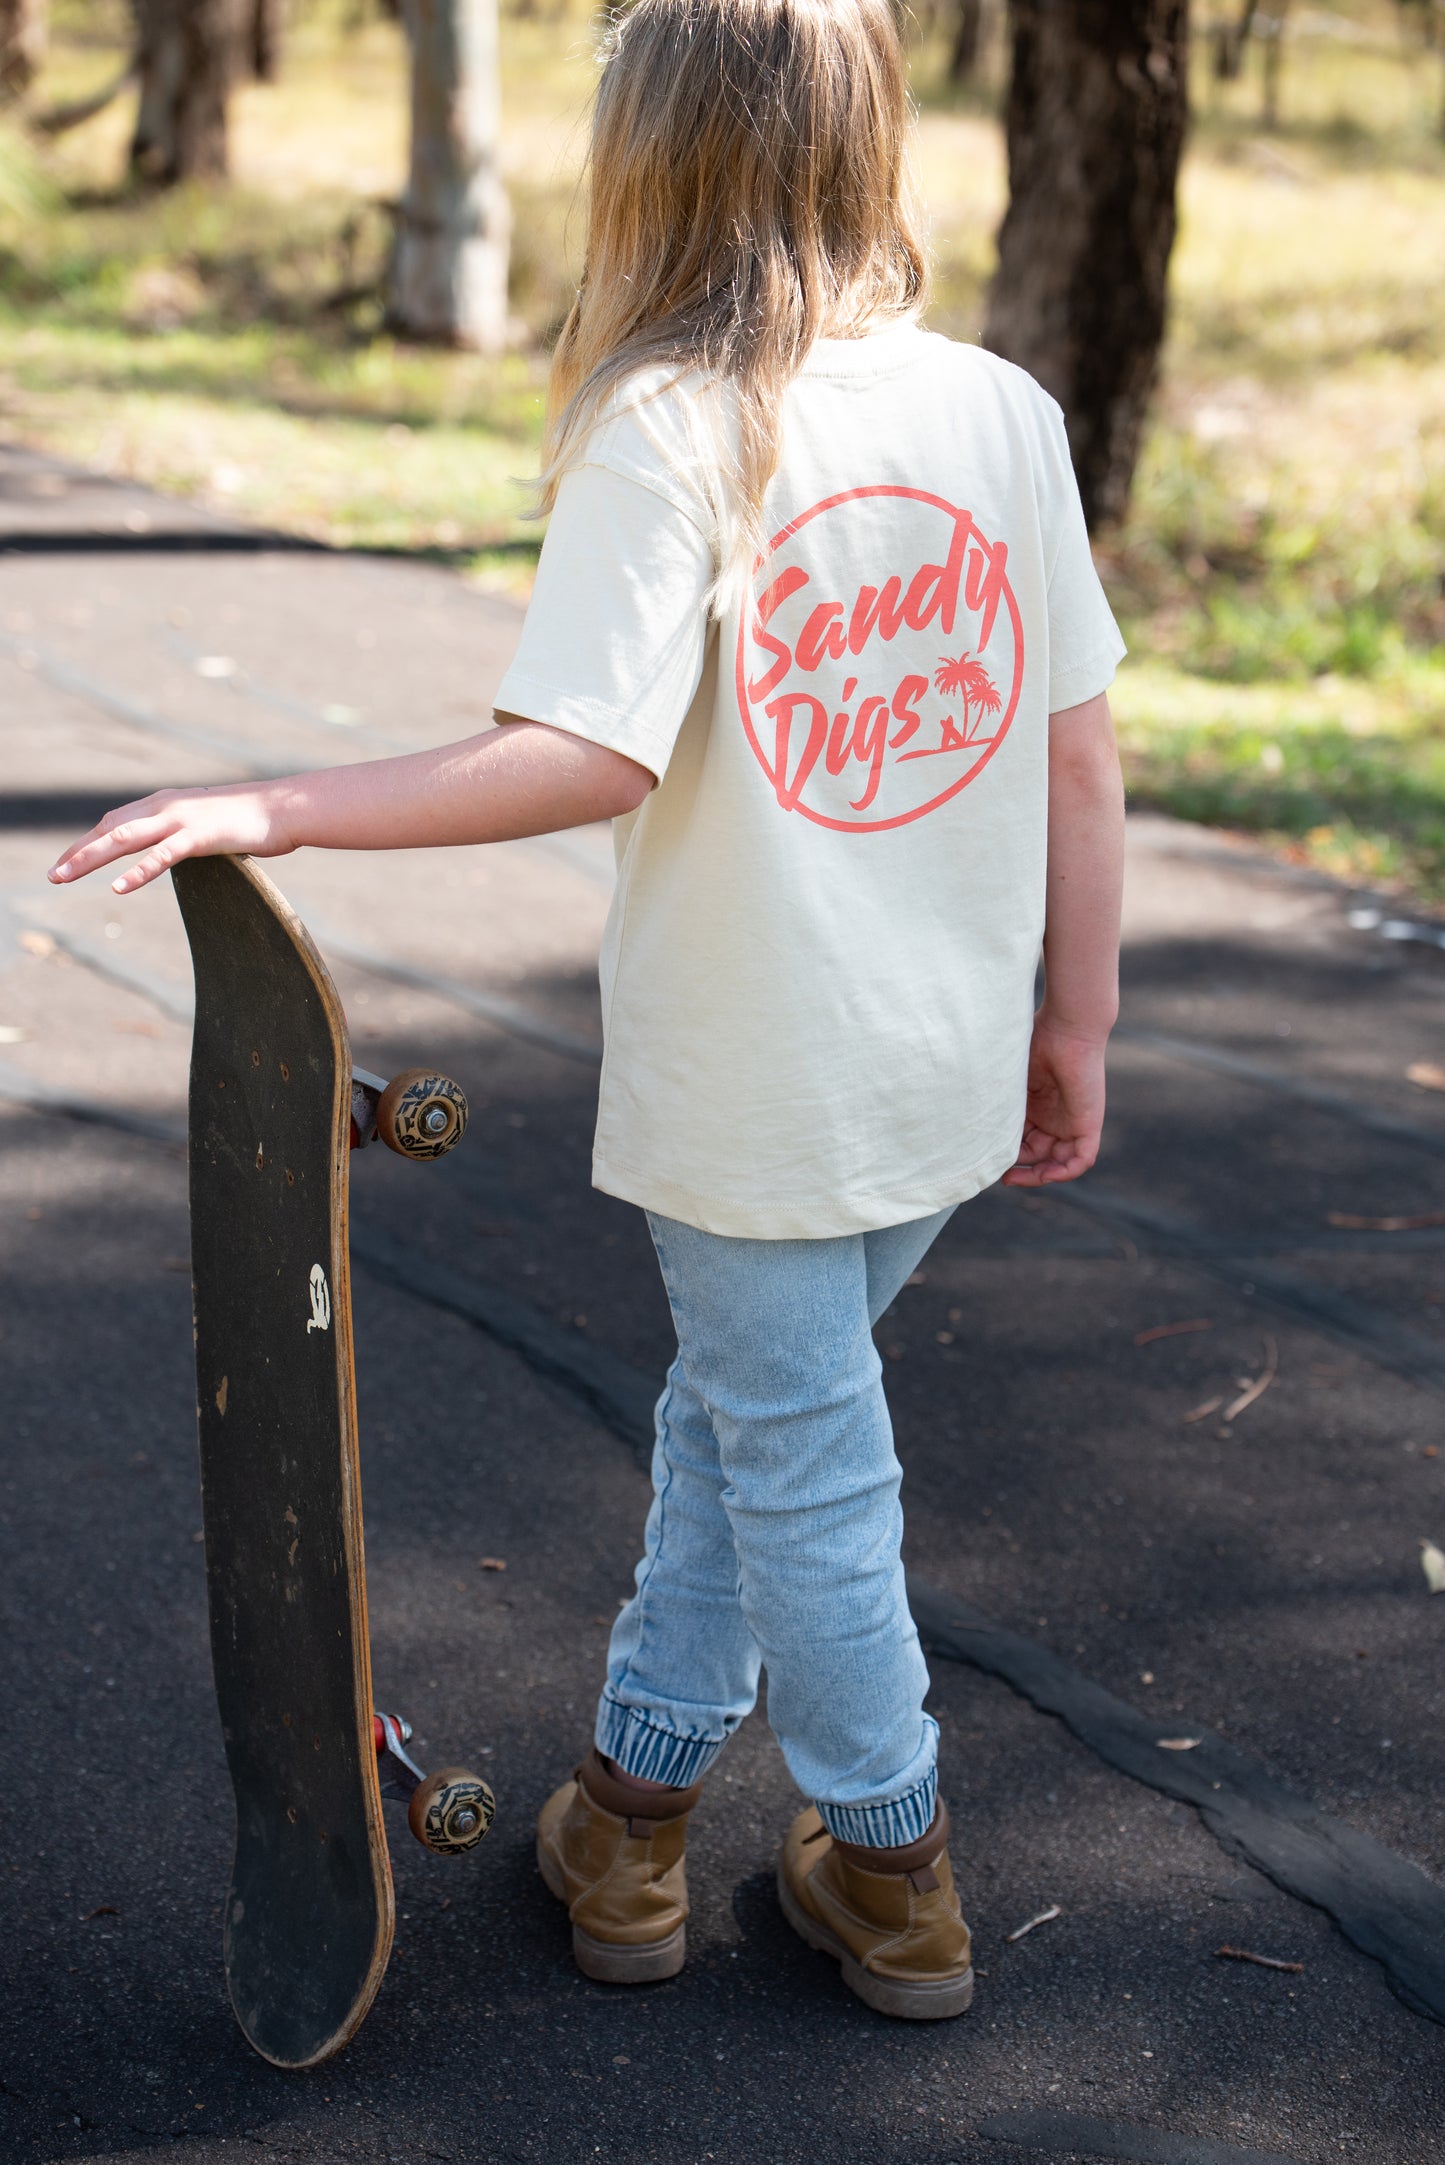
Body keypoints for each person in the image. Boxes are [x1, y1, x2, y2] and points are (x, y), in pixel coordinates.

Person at [48, 0, 1125, 2023]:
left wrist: (282, 802)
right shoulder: (1003, 408)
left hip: (760, 1089)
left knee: (806, 1464)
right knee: (746, 1424)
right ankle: (628, 1817)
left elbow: (583, 752)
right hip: (940, 1068)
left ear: (651, 159)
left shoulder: (680, 419)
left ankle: (893, 1861)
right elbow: (1075, 750)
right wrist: (1081, 1018)